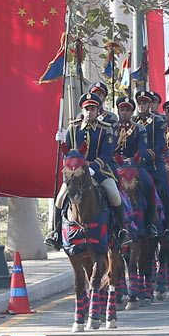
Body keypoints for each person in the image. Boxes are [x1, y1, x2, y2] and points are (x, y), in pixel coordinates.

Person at [48, 93, 125, 249]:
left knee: (114, 194)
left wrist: (93, 168)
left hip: (101, 171)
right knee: (60, 197)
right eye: (86, 109)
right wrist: (61, 143)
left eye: (92, 109)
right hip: (76, 173)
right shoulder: (73, 127)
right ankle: (55, 233)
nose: (89, 112)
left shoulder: (106, 129)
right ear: (82, 111)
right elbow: (68, 153)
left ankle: (121, 231)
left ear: (98, 110)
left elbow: (107, 153)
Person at [113, 95, 158, 237]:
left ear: (132, 112)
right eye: (122, 109)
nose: (124, 112)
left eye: (127, 110)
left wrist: (132, 160)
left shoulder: (139, 128)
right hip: (115, 166)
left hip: (134, 167)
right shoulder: (111, 128)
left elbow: (142, 149)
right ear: (118, 111)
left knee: (149, 185)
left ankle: (150, 223)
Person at [134, 90, 169, 236]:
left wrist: (146, 154)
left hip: (154, 165)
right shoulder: (133, 122)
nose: (142, 106)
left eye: (144, 103)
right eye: (139, 103)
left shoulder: (158, 121)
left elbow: (161, 145)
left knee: (165, 190)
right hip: (136, 165)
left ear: (149, 104)